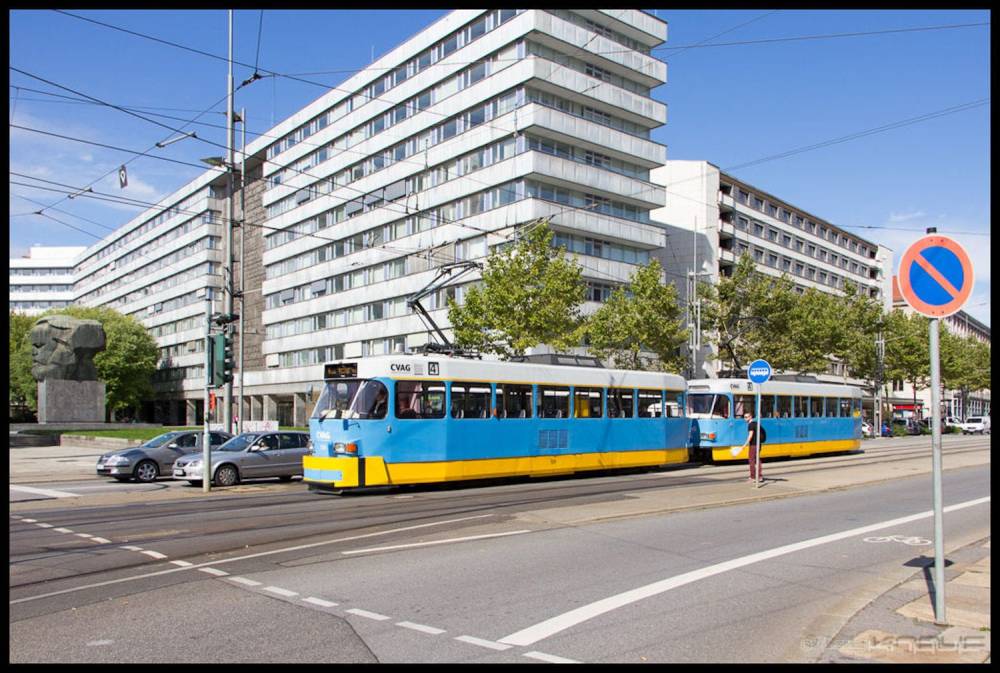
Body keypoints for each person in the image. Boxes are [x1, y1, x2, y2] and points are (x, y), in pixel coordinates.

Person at [743, 411, 767, 483]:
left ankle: (753, 477)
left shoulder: (751, 425)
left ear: (750, 417)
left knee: (751, 460)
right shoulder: (756, 423)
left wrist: (744, 444)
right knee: (757, 460)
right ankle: (759, 476)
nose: (745, 419)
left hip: (753, 445)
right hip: (758, 444)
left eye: (746, 417)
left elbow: (750, 436)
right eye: (744, 417)